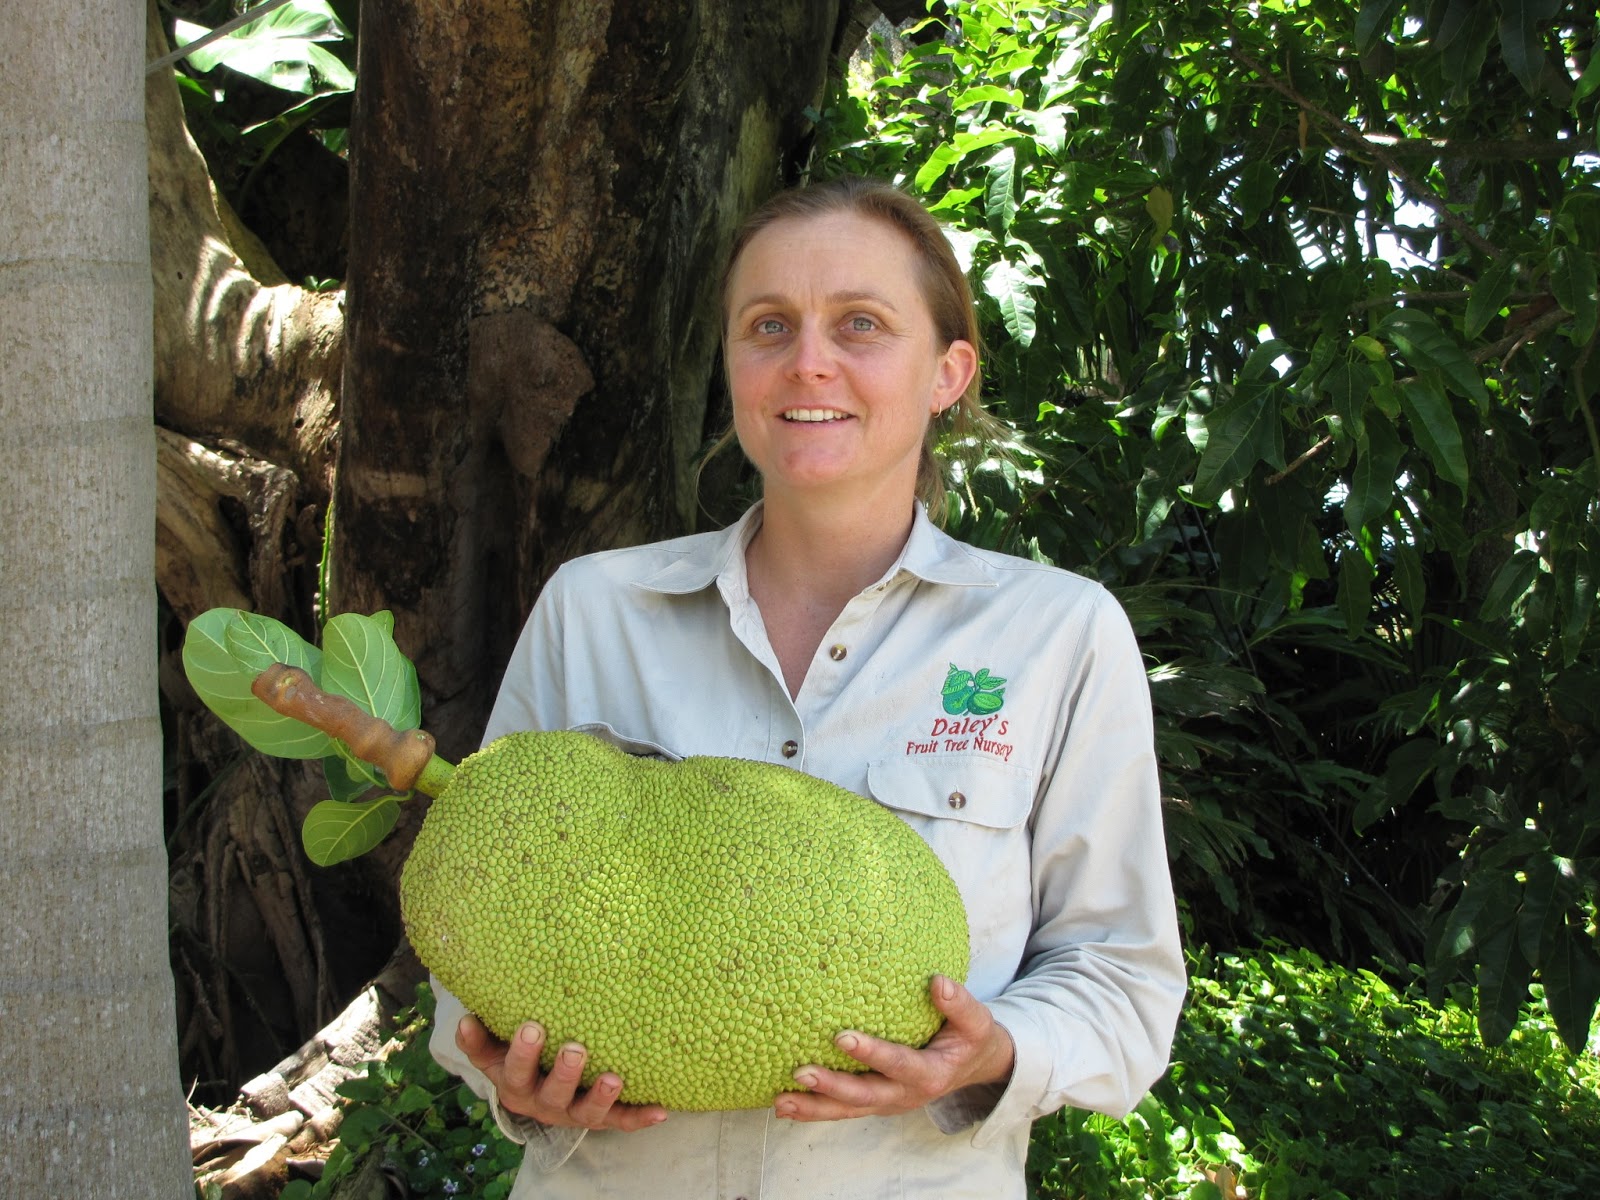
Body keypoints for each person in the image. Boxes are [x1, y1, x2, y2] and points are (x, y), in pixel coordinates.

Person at [429, 175, 1186, 1199]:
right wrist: (517, 1083)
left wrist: (994, 1052)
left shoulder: (1054, 635)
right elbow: (478, 919)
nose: (808, 361)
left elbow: (1123, 979)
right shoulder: (593, 611)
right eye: (768, 325)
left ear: (946, 372)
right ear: (733, 363)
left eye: (860, 323)